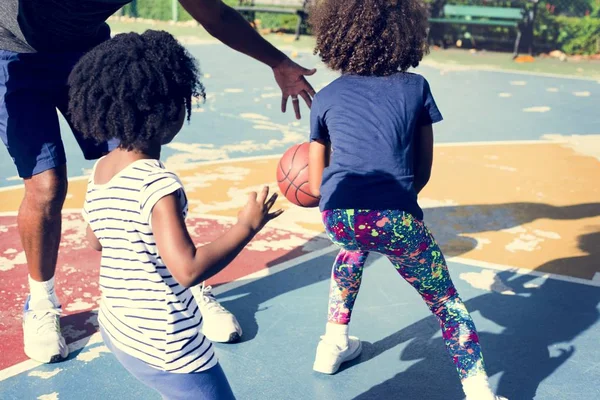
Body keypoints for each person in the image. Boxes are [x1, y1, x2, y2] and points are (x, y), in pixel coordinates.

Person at [0, 0, 314, 363]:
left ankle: (188, 285)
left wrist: (278, 61)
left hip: (84, 50)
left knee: (138, 158)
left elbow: (216, 15)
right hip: (15, 54)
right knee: (47, 186)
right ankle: (41, 302)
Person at [306, 1, 507, 399]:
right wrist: (394, 204)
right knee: (447, 303)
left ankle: (332, 344)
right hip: (395, 215)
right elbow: (421, 172)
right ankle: (480, 391)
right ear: (406, 32)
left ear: (334, 34)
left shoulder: (325, 96)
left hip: (339, 215)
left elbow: (314, 185)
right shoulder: (416, 88)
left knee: (351, 249)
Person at [75, 30, 282, 399]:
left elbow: (95, 238)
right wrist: (246, 225)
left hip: (119, 326)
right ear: (170, 111)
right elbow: (188, 270)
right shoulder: (158, 184)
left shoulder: (103, 169)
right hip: (167, 342)